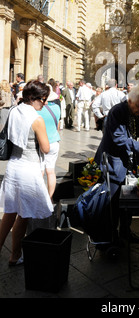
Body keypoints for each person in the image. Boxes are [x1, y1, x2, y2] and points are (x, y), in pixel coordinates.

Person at [93, 86, 139, 242]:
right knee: (114, 202)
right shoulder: (117, 112)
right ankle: (111, 237)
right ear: (129, 101)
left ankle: (125, 232)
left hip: (127, 162)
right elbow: (119, 138)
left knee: (128, 200)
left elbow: (135, 132)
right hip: (114, 163)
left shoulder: (133, 112)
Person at [0, 80, 53, 266]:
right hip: (28, 170)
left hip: (13, 167)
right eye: (43, 99)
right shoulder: (37, 119)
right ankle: (14, 256)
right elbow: (46, 148)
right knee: (23, 215)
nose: (45, 103)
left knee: (8, 213)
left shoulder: (15, 110)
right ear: (33, 98)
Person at [38, 86, 61, 200]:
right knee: (51, 171)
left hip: (42, 142)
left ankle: (39, 198)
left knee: (40, 171)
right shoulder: (57, 107)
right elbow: (58, 125)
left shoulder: (38, 109)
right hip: (54, 141)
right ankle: (50, 198)